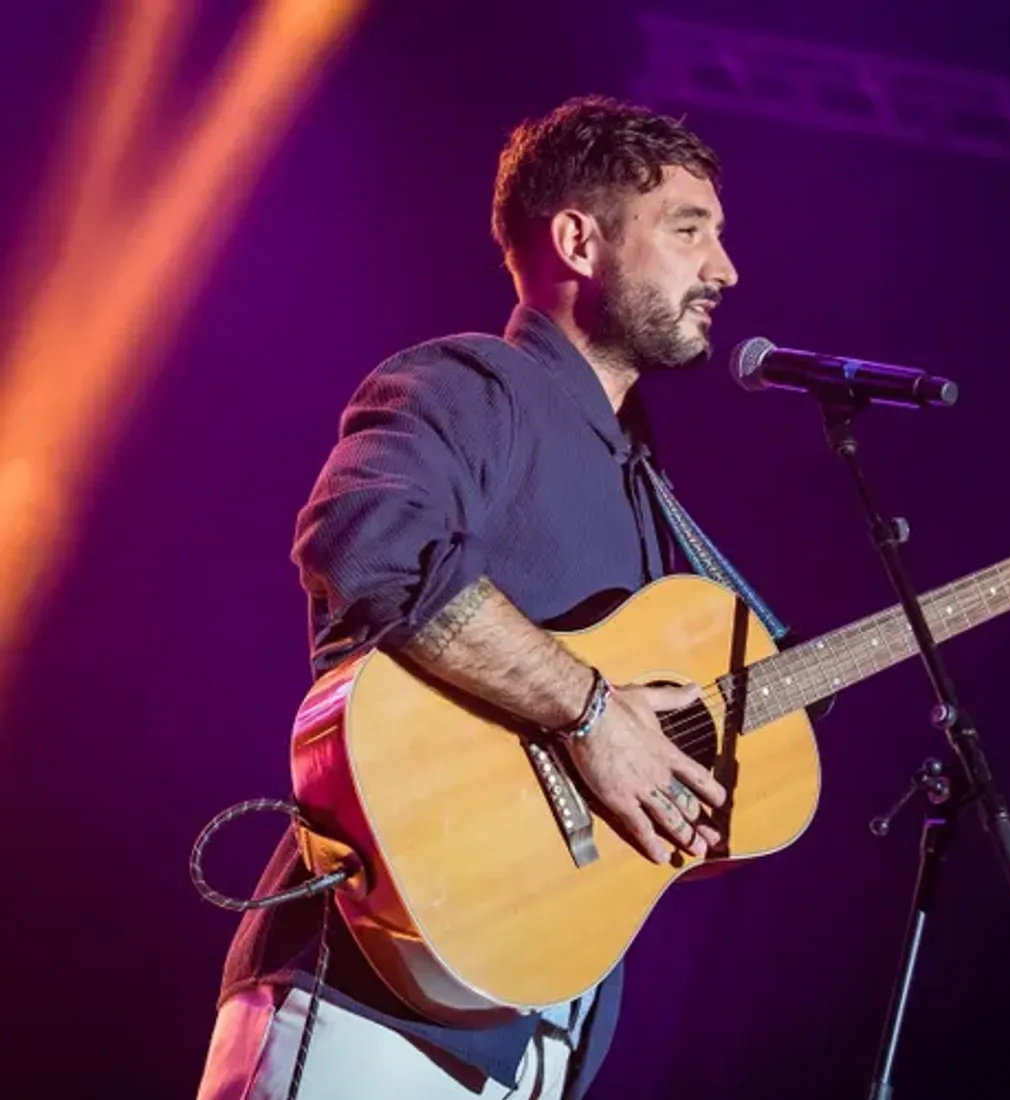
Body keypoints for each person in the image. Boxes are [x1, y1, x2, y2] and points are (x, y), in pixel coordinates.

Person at [196, 94, 739, 1100]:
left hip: (531, 1029)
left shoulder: (638, 477)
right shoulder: (468, 385)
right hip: (370, 1001)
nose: (724, 270)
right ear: (577, 237)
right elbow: (364, 545)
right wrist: (587, 710)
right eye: (688, 229)